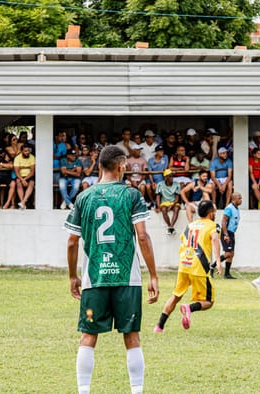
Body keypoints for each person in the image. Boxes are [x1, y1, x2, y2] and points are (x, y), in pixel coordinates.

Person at [65, 145, 159, 394]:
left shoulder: (84, 197)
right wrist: (153, 275)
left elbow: (72, 241)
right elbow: (143, 237)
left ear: (99, 166)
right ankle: (136, 392)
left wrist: (73, 275)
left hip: (94, 279)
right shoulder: (131, 195)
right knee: (132, 337)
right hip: (127, 279)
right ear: (121, 166)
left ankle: (84, 391)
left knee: (88, 336)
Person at [155, 200, 221, 333]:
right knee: (208, 302)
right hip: (199, 267)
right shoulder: (213, 226)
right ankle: (189, 308)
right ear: (210, 213)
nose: (215, 212)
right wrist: (218, 262)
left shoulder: (190, 226)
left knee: (175, 296)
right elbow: (214, 239)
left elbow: (184, 241)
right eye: (214, 210)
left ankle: (159, 326)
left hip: (184, 264)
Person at [211, 192, 242, 279]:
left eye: (241, 198)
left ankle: (227, 274)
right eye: (239, 198)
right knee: (228, 253)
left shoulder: (236, 208)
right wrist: (225, 234)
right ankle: (212, 266)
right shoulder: (229, 208)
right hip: (227, 232)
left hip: (231, 233)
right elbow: (224, 221)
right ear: (234, 199)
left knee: (231, 254)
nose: (241, 200)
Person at [156, 169, 181, 235]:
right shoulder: (160, 184)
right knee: (163, 209)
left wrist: (172, 206)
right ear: (165, 177)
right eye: (170, 176)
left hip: (174, 202)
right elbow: (158, 197)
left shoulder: (177, 184)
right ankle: (170, 226)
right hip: (164, 202)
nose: (171, 178)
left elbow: (177, 198)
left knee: (177, 209)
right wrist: (158, 207)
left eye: (172, 176)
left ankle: (170, 227)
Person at [15, 143, 36, 210]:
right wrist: (22, 179)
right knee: (18, 182)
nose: (27, 152)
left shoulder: (32, 157)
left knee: (31, 183)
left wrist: (25, 179)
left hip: (29, 176)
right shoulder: (17, 158)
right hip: (20, 176)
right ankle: (22, 203)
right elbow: (17, 171)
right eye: (25, 151)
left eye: (28, 151)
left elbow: (32, 172)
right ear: (21, 151)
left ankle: (23, 202)